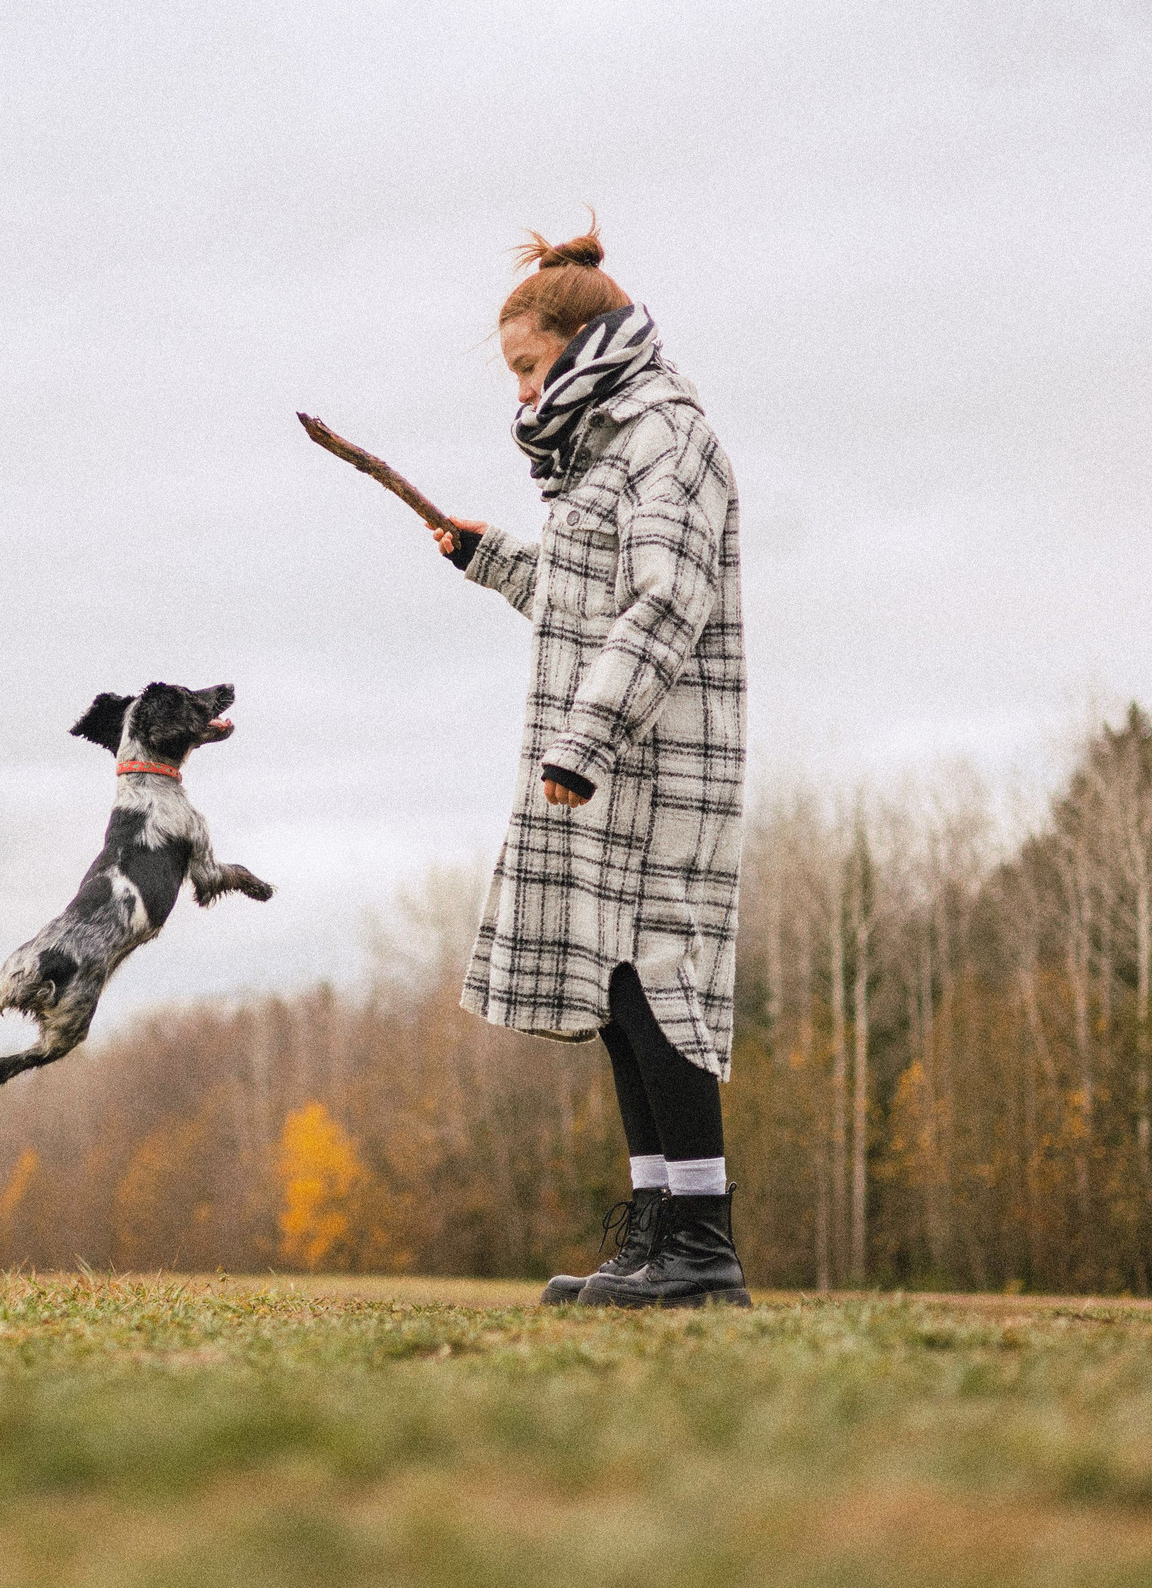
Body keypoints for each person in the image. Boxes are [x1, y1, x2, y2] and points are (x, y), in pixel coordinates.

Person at [434, 222, 749, 1307]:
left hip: (656, 754)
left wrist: (586, 738)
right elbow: (588, 602)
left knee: (662, 974)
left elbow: (665, 601)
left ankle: (704, 1249)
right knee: (617, 986)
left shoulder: (666, 437)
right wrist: (492, 560)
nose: (521, 394)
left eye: (528, 368)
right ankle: (657, 1235)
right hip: (610, 750)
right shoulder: (600, 456)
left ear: (584, 343)